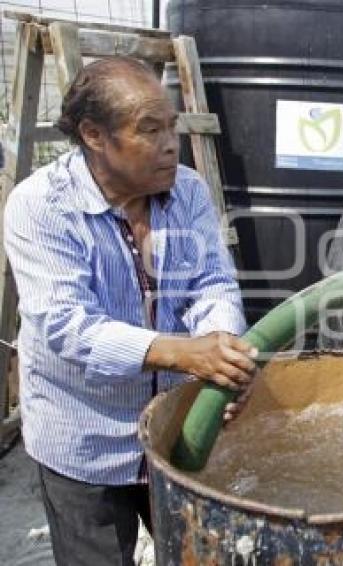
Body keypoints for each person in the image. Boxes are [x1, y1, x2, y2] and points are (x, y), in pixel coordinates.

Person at [3, 56, 255, 566]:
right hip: (85, 441)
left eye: (172, 128)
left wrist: (221, 354)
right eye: (149, 130)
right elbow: (68, 328)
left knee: (194, 554)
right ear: (95, 135)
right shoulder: (40, 207)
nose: (170, 145)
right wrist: (187, 355)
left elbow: (212, 283)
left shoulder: (187, 191)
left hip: (177, 433)